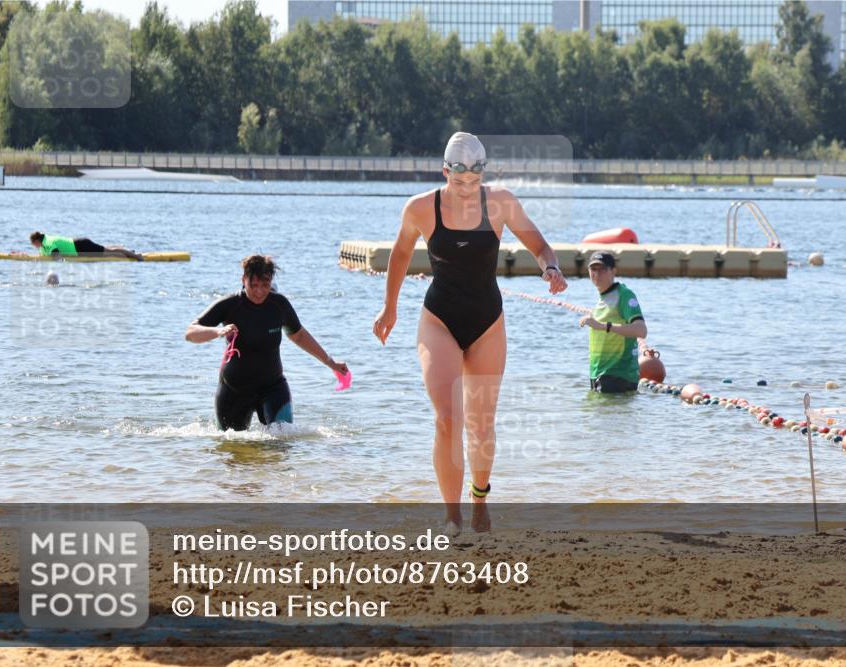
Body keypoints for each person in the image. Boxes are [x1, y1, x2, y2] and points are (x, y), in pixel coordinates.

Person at [373, 132, 567, 534]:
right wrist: (389, 307)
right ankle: (451, 515)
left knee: (481, 425)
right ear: (445, 172)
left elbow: (539, 245)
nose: (466, 190)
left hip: (487, 323)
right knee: (447, 418)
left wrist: (550, 267)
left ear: (483, 175)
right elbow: (402, 253)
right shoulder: (421, 208)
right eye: (458, 182)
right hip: (438, 319)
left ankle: (480, 498)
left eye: (473, 182)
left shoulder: (501, 203)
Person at [185, 254, 348, 431]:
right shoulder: (230, 305)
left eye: (265, 284)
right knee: (231, 449)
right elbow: (191, 332)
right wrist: (218, 331)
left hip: (273, 388)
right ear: (243, 280)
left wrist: (330, 363)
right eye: (253, 285)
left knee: (281, 443)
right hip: (233, 390)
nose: (260, 291)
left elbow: (299, 335)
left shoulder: (279, 305)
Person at [579, 251, 647, 394]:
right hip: (599, 373)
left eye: (602, 269)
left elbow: (641, 330)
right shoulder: (601, 299)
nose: (597, 274)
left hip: (618, 375)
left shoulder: (624, 295)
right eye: (593, 269)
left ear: (613, 271)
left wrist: (604, 326)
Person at [29, 231, 144, 260]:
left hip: (82, 246)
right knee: (107, 249)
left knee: (110, 253)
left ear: (37, 241)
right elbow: (44, 252)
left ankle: (136, 256)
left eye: (33, 244)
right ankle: (129, 251)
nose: (34, 246)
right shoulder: (45, 240)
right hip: (80, 244)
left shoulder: (48, 243)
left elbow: (57, 257)